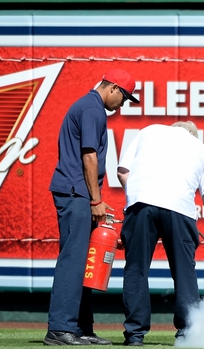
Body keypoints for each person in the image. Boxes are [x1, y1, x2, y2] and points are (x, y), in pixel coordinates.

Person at [46, 69, 140, 346]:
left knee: (85, 262)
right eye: (124, 98)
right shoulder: (93, 108)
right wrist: (95, 200)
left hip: (78, 192)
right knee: (73, 262)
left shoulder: (89, 107)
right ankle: (60, 328)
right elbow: (89, 157)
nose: (122, 104)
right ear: (112, 88)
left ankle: (80, 328)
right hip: (75, 192)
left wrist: (95, 199)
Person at [116, 121, 204, 346]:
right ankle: (186, 332)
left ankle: (135, 334)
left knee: (136, 269)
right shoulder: (201, 149)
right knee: (184, 272)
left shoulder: (148, 131)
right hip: (180, 208)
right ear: (192, 136)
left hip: (141, 202)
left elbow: (123, 171)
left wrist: (137, 193)